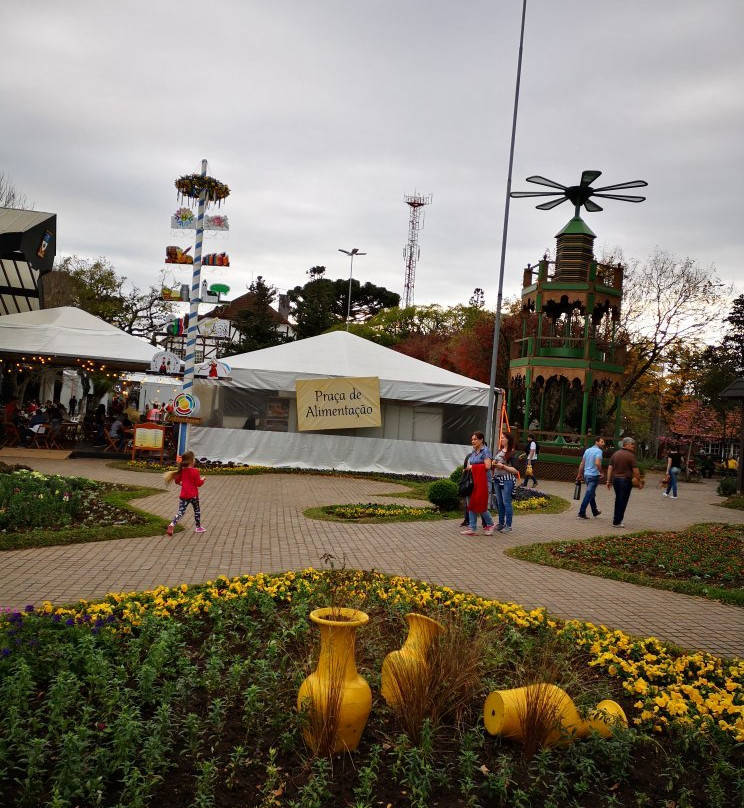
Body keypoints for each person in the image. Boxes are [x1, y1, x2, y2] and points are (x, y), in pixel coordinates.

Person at [461, 432, 496, 536]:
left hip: (483, 481)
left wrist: (473, 467)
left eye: (475, 439)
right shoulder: (473, 451)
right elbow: (471, 463)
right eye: (472, 439)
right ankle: (472, 527)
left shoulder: (486, 451)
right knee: (471, 503)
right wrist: (467, 469)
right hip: (473, 481)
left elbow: (488, 466)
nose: (473, 441)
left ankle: (490, 524)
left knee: (480, 504)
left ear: (481, 440)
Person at [164, 450, 205, 535]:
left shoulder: (182, 471)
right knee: (197, 511)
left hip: (184, 496)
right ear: (191, 461)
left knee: (181, 512)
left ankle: (172, 524)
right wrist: (203, 480)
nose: (194, 460)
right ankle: (198, 527)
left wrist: (183, 484)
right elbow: (198, 484)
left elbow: (177, 481)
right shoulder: (195, 471)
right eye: (194, 458)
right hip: (194, 496)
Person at [605, 437, 643, 528]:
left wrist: (608, 480)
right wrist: (639, 482)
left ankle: (616, 520)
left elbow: (610, 467)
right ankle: (617, 522)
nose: (633, 446)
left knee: (618, 500)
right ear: (626, 444)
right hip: (625, 481)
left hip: (616, 480)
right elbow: (636, 471)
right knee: (623, 501)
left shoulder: (615, 454)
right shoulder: (631, 456)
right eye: (632, 444)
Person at [491, 433, 520, 533]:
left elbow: (516, 470)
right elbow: (496, 462)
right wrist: (494, 463)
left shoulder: (512, 453)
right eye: (501, 438)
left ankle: (508, 525)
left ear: (508, 440)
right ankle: (501, 523)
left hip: (507, 480)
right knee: (500, 502)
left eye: (503, 438)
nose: (501, 439)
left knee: (506, 502)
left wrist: (503, 466)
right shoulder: (500, 451)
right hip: (497, 479)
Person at [576, 436, 605, 518]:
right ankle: (581, 512)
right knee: (589, 494)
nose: (603, 443)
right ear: (596, 442)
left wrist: (579, 474)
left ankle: (594, 511)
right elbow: (597, 463)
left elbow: (582, 463)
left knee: (591, 493)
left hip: (586, 475)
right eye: (602, 442)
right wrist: (601, 472)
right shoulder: (599, 451)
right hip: (594, 475)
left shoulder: (587, 450)